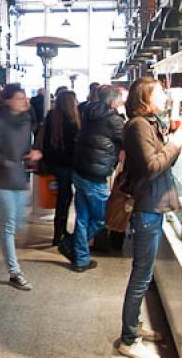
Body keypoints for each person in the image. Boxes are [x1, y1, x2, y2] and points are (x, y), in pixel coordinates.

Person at [117, 77, 182, 358]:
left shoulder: (149, 124)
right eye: (159, 92)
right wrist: (174, 144)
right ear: (145, 97)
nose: (164, 97)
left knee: (143, 274)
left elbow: (161, 161)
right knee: (141, 275)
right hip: (146, 208)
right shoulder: (137, 126)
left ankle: (134, 326)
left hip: (153, 206)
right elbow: (152, 166)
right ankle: (129, 339)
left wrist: (172, 143)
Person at [0, 84, 42, 291]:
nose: (24, 101)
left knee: (13, 225)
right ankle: (15, 272)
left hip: (20, 180)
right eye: (19, 98)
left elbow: (24, 148)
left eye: (25, 98)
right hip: (3, 182)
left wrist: (32, 154)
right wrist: (3, 161)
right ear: (7, 101)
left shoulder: (25, 122)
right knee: (8, 227)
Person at [61, 85, 124, 272]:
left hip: (79, 170)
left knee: (83, 217)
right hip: (95, 176)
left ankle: (81, 259)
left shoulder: (86, 110)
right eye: (120, 100)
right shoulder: (114, 120)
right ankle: (71, 245)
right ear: (113, 102)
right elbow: (129, 140)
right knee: (102, 218)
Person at [41, 90, 80, 246]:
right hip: (69, 166)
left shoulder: (52, 117)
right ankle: (60, 232)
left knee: (62, 199)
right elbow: (74, 147)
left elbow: (45, 142)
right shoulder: (73, 121)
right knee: (66, 198)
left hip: (55, 165)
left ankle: (58, 233)